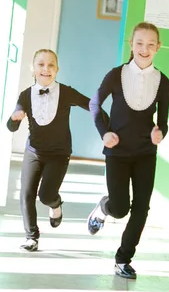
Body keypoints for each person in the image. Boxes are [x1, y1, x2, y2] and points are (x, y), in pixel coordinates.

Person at [87, 22, 169, 279]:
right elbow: (94, 104)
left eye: (150, 44)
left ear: (158, 47)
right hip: (117, 153)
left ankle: (123, 259)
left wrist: (160, 133)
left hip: (146, 153)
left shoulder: (163, 82)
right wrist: (105, 133)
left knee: (141, 207)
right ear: (131, 45)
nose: (144, 49)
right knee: (120, 208)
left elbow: (163, 122)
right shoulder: (116, 75)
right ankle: (105, 207)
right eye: (139, 43)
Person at [7, 49, 108, 252]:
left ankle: (56, 205)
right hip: (34, 151)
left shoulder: (66, 92)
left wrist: (108, 128)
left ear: (57, 69)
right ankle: (31, 237)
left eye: (51, 65)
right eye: (41, 64)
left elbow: (91, 105)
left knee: (46, 196)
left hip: (59, 154)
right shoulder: (26, 95)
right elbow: (11, 127)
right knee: (26, 194)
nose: (46, 69)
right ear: (33, 68)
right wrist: (15, 118)